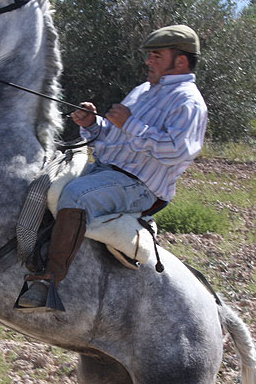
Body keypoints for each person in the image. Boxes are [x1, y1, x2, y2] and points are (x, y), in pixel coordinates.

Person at [17, 24, 208, 311]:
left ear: (180, 61)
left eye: (156, 55)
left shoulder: (189, 102)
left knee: (77, 196)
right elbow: (116, 137)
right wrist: (93, 125)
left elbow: (178, 152)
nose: (148, 61)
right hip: (105, 170)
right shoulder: (143, 90)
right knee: (42, 178)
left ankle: (48, 283)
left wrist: (130, 124)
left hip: (140, 186)